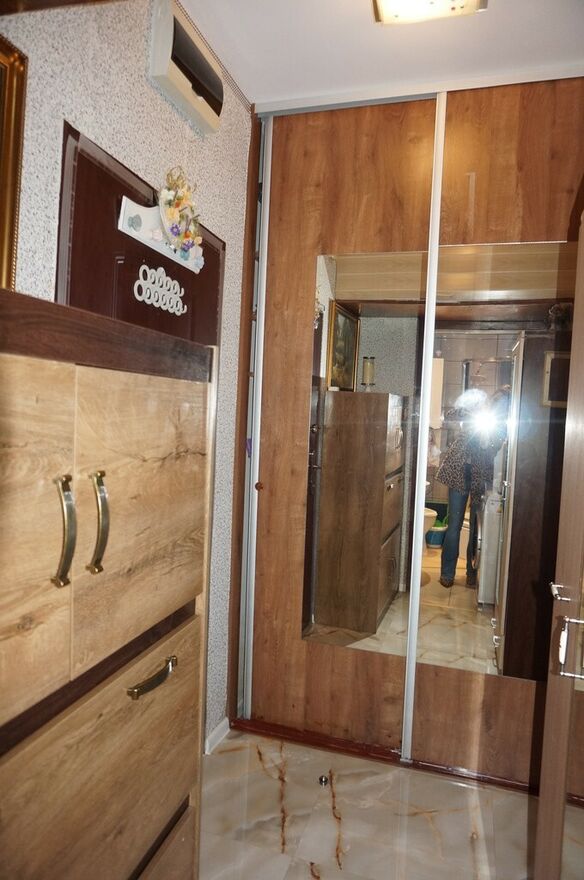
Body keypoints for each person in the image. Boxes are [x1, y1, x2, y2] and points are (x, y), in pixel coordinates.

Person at [436, 387, 510, 588]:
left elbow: (494, 447)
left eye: (502, 405)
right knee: (455, 525)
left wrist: (489, 437)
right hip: (459, 472)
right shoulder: (477, 411)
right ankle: (449, 574)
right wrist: (470, 413)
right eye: (497, 402)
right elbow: (449, 415)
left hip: (481, 477)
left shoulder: (502, 425)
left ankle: (470, 572)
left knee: (475, 528)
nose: (498, 406)